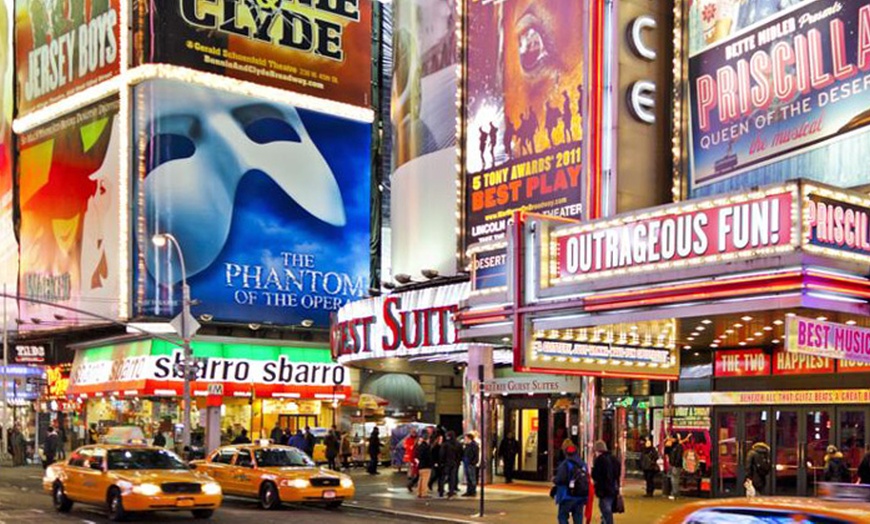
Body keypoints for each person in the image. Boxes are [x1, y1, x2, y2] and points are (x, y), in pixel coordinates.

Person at [553, 444, 589, 524]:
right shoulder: (583, 465)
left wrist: (554, 480)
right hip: (580, 496)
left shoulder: (565, 464)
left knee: (562, 516)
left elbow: (560, 479)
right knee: (578, 517)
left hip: (567, 495)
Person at [591, 440, 620, 524]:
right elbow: (617, 473)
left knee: (605, 508)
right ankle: (604, 521)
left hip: (604, 489)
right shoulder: (614, 459)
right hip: (613, 488)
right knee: (607, 507)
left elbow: (596, 475)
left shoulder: (600, 460)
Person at [440, 431, 462, 497]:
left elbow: (442, 454)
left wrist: (441, 462)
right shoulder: (458, 444)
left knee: (443, 477)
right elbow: (460, 454)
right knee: (452, 477)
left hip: (446, 463)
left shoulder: (445, 444)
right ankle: (451, 491)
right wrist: (458, 461)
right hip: (454, 463)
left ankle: (441, 491)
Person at [665, 433, 684, 499]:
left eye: (672, 438)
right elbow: (666, 453)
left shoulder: (678, 446)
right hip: (672, 464)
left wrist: (675, 463)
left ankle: (674, 493)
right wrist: (667, 446)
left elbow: (679, 456)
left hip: (676, 465)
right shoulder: (672, 446)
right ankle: (675, 493)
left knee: (674, 479)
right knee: (673, 479)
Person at [415, 430, 432, 498]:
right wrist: (431, 463)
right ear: (427, 439)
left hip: (420, 465)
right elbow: (429, 456)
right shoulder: (427, 447)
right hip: (426, 465)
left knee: (420, 479)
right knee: (425, 480)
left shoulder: (419, 446)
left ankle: (419, 492)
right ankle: (424, 493)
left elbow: (417, 455)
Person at [462, 433, 480, 497]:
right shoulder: (467, 445)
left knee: (472, 478)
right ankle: (469, 491)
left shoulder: (474, 445)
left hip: (471, 463)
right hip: (467, 463)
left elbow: (476, 455)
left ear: (469, 438)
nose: (465, 439)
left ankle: (473, 491)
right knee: (468, 478)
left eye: (466, 438)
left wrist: (473, 462)